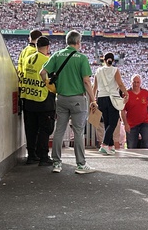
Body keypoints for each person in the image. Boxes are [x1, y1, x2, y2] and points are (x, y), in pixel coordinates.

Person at [41, 31, 97, 174]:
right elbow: (86, 81)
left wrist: (49, 86)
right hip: (77, 99)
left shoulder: (57, 55)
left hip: (61, 98)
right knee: (78, 131)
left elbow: (42, 72)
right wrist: (93, 99)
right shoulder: (81, 58)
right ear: (78, 42)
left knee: (59, 130)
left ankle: (57, 163)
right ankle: (80, 165)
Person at [19, 35, 55, 166]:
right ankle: (43, 156)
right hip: (43, 100)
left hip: (28, 99)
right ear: (47, 47)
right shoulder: (47, 61)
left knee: (31, 129)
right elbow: (51, 81)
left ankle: (31, 155)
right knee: (45, 129)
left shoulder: (27, 59)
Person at [93, 52, 128, 155]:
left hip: (101, 98)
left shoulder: (98, 71)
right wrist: (126, 93)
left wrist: (93, 99)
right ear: (113, 60)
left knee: (107, 123)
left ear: (104, 60)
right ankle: (104, 144)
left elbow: (94, 87)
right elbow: (120, 83)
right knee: (113, 123)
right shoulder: (115, 70)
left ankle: (111, 146)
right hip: (112, 98)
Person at [17, 30, 42, 162]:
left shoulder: (24, 51)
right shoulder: (36, 54)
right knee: (37, 126)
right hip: (36, 93)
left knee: (29, 126)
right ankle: (35, 153)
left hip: (24, 91)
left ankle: (31, 153)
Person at [123, 74, 148, 148]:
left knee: (146, 142)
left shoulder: (145, 93)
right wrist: (125, 124)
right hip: (131, 124)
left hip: (145, 122)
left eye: (137, 82)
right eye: (134, 82)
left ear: (140, 83)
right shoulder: (126, 94)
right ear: (131, 83)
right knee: (131, 145)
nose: (136, 84)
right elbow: (122, 110)